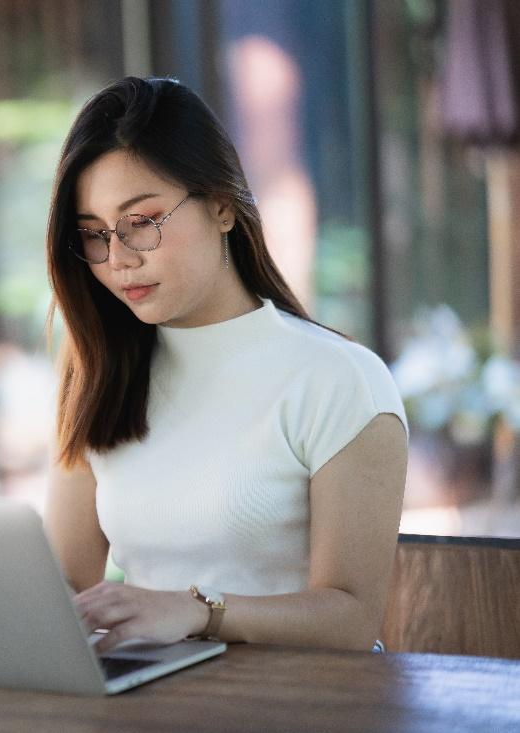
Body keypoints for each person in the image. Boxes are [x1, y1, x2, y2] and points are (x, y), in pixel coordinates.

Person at [43, 77, 409, 653]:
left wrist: (195, 612)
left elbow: (352, 617)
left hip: (304, 703)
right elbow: (64, 586)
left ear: (220, 206)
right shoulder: (100, 376)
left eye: (142, 221)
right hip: (152, 699)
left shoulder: (339, 380)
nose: (118, 260)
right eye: (93, 235)